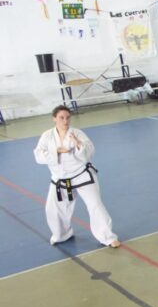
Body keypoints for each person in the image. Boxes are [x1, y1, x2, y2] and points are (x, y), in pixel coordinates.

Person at [33, 105, 120, 247]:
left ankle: (108, 237)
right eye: (61, 118)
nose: (65, 121)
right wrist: (57, 151)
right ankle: (62, 234)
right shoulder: (47, 136)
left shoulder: (77, 133)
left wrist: (79, 145)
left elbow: (90, 153)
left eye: (67, 117)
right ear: (54, 118)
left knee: (95, 205)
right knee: (53, 209)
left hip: (82, 176)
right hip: (60, 179)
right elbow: (38, 156)